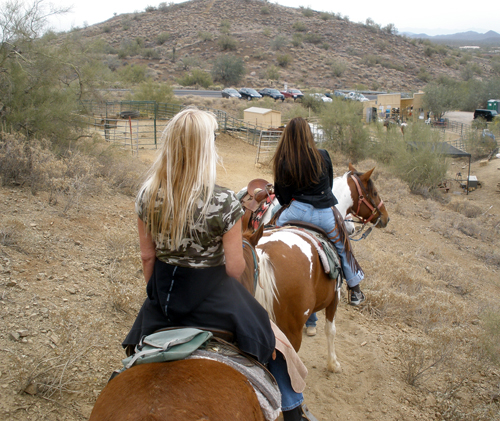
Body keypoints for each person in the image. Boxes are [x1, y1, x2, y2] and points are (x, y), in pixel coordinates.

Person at [122, 108, 317, 421]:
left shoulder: (147, 195)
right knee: (276, 344)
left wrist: (158, 295)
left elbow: (148, 257)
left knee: (134, 347)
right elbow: (234, 268)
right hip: (214, 296)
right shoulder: (223, 200)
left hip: (163, 296)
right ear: (204, 149)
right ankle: (294, 411)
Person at [272, 117, 365, 317]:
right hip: (325, 214)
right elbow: (329, 186)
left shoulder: (284, 160)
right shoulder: (323, 155)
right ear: (308, 134)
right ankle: (354, 287)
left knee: (270, 230)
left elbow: (283, 197)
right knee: (342, 245)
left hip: (297, 211)